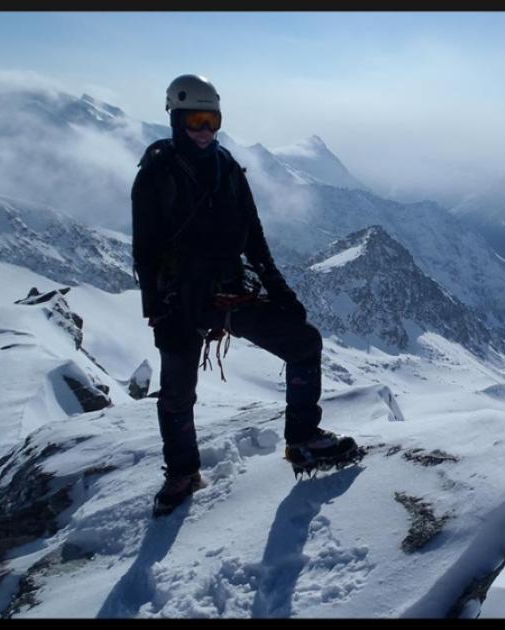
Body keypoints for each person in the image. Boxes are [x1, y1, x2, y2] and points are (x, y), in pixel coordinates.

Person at [131, 74, 362, 517]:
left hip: (227, 292)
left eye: (212, 121)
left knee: (304, 342)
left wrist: (280, 289)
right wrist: (156, 309)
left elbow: (254, 238)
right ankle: (182, 473)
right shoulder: (157, 174)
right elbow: (145, 248)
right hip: (179, 299)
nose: (205, 131)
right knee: (177, 391)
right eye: (195, 121)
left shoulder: (228, 170)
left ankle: (302, 438)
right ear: (176, 119)